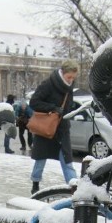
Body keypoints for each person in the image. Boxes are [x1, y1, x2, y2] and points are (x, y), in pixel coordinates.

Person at [28, 59, 79, 194]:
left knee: (67, 158)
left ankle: (74, 187)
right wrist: (53, 108)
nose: (71, 80)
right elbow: (34, 102)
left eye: (73, 77)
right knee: (41, 158)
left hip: (62, 128)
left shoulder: (69, 87)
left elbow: (68, 104)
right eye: (69, 77)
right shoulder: (49, 84)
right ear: (63, 73)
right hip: (47, 127)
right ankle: (35, 183)